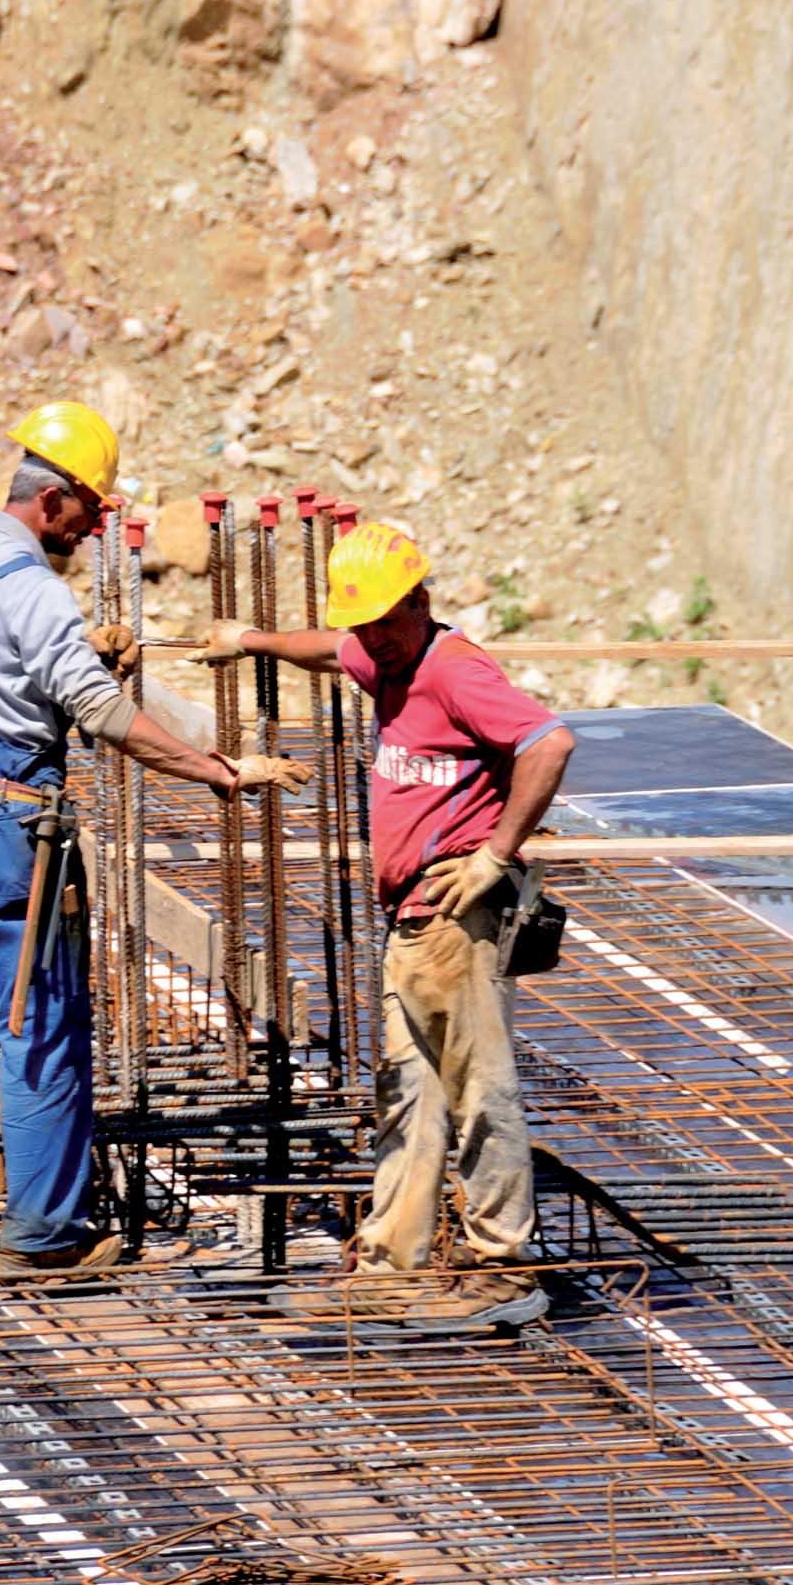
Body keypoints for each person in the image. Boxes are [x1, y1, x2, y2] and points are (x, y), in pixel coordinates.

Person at [0, 402, 302, 1283]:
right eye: (88, 512)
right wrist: (219, 772)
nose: (93, 531)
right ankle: (45, 1231)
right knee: (41, 1024)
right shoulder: (33, 589)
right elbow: (103, 717)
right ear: (51, 501)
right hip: (15, 828)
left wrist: (77, 650)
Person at [202, 519, 573, 1296]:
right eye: (363, 624)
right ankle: (390, 1266)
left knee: (480, 1091)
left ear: (421, 600)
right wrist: (252, 639)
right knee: (408, 1097)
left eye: (386, 621)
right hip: (408, 923)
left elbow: (548, 742)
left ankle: (504, 1263)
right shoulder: (382, 657)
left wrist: (495, 855)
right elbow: (330, 651)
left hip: (456, 918)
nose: (375, 639)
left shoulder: (453, 670)